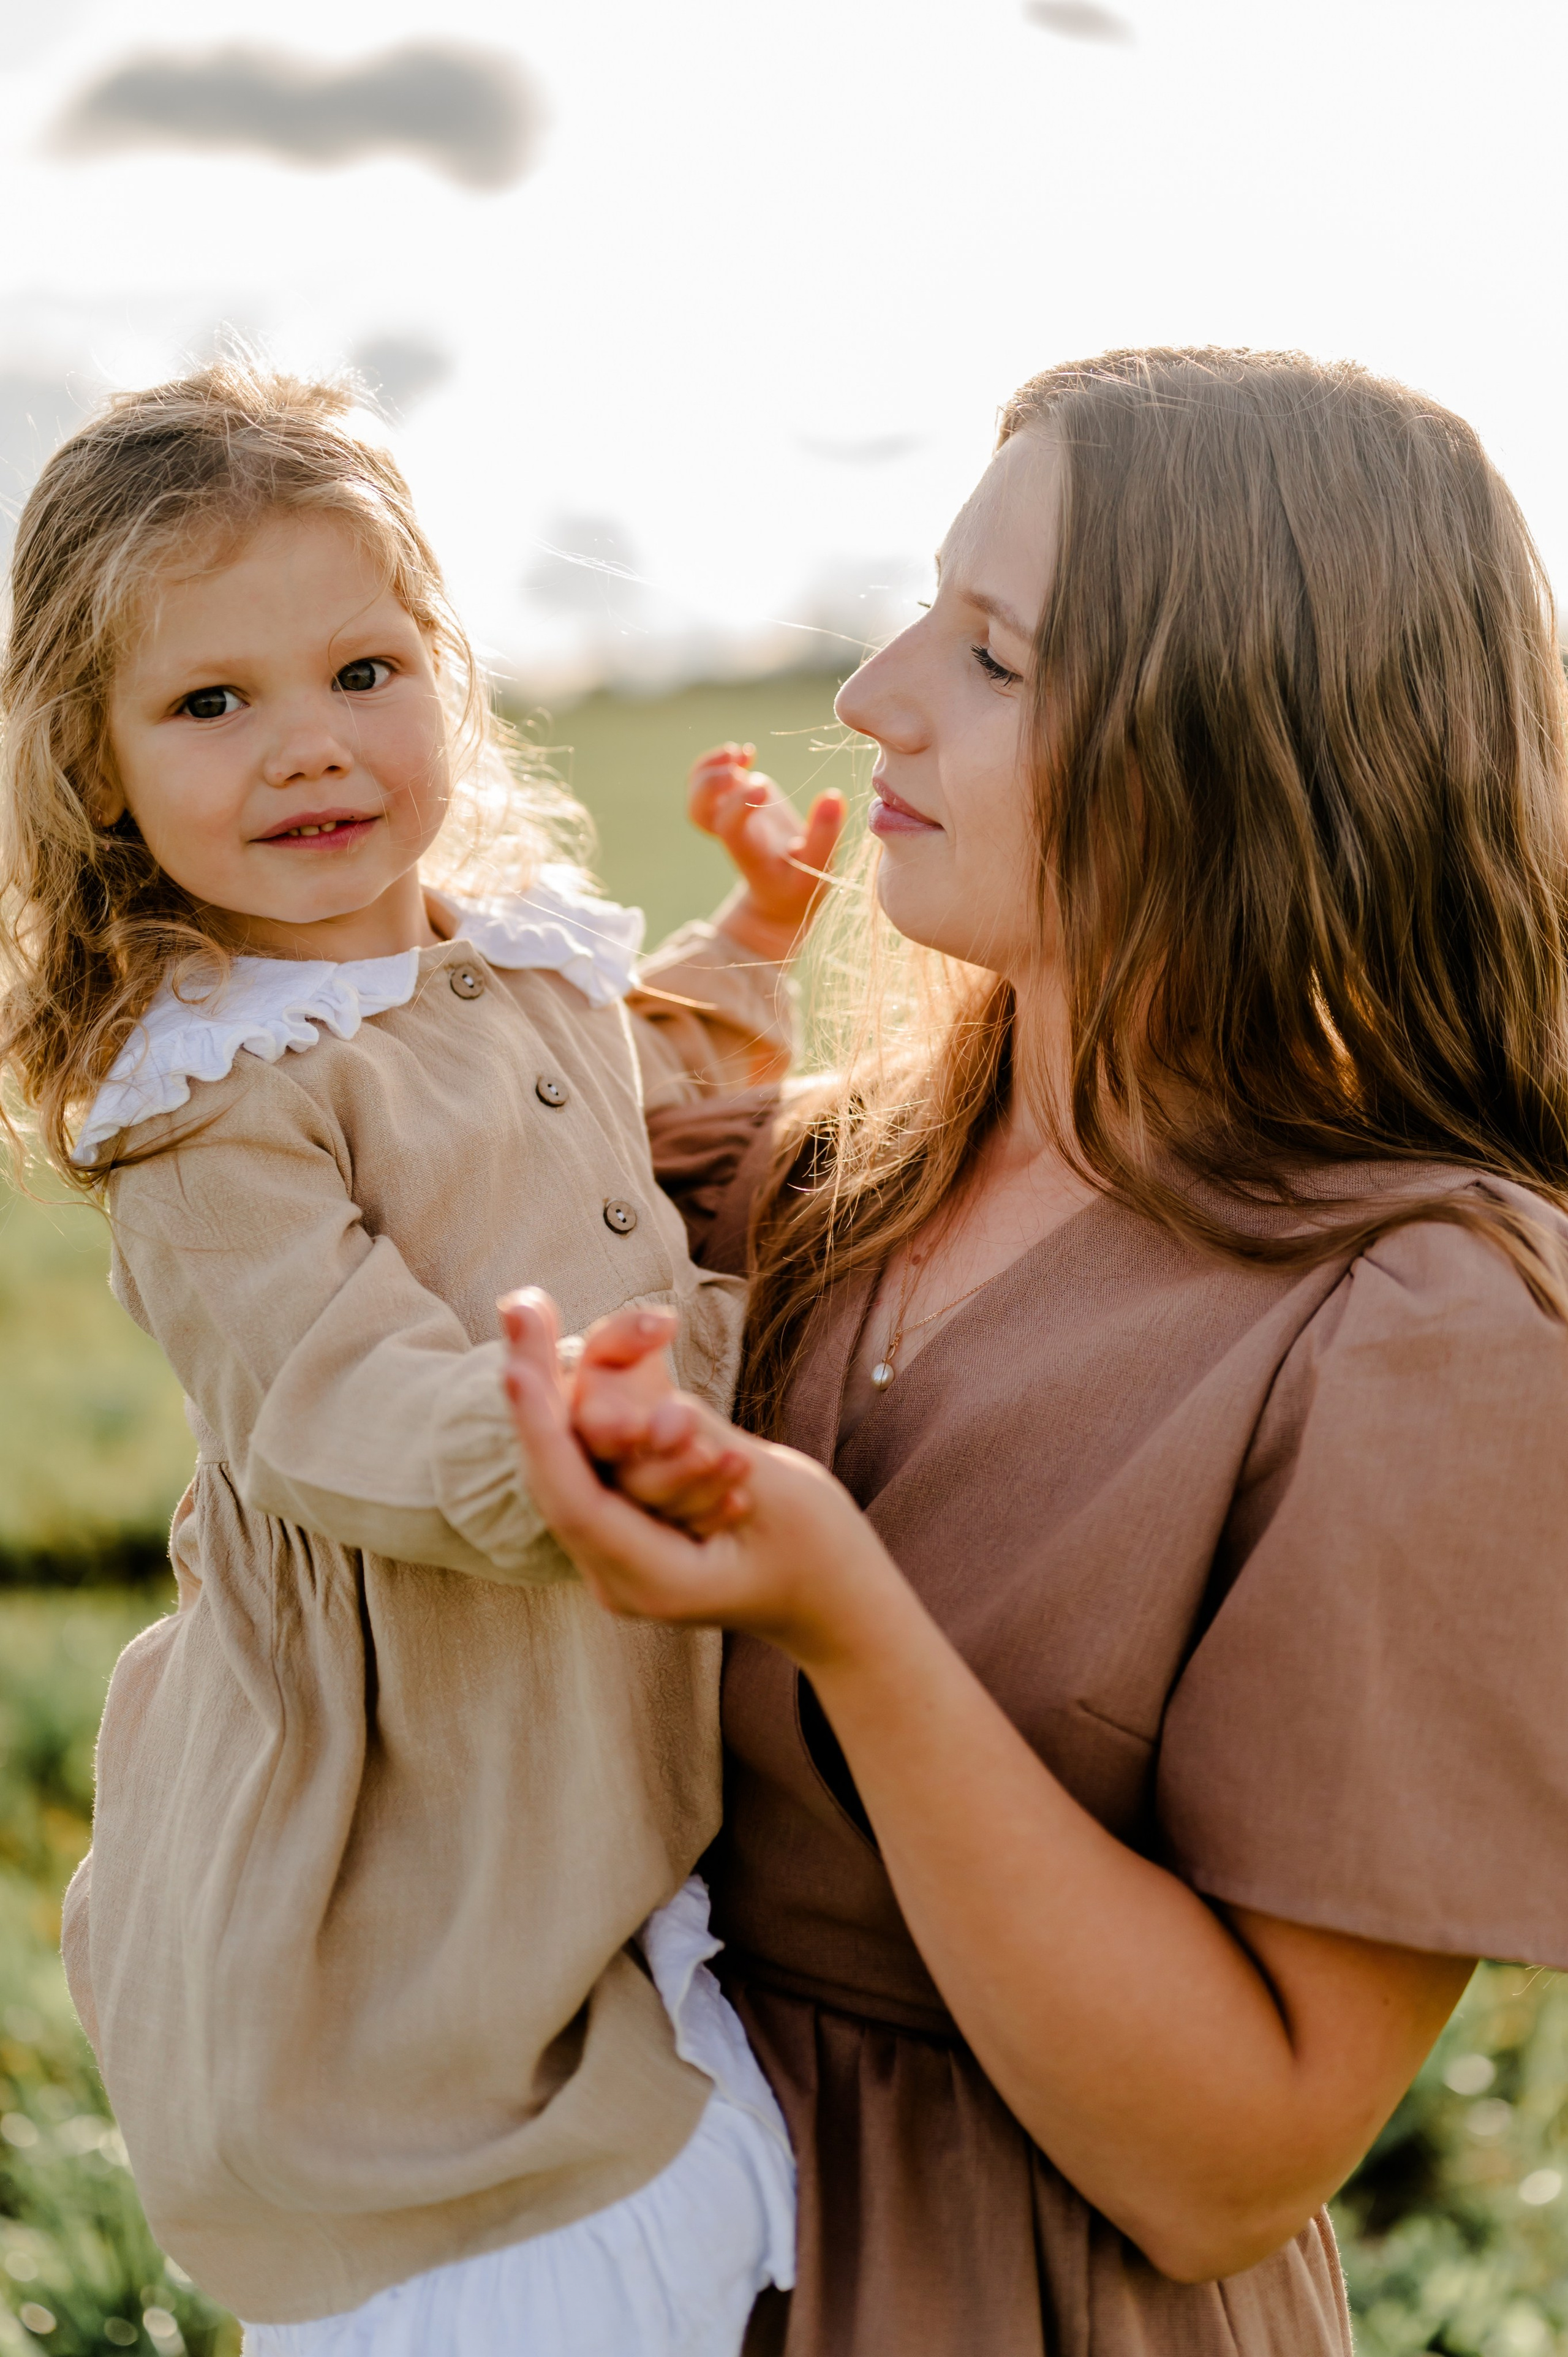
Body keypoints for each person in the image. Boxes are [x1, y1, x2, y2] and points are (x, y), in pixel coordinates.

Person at [499, 347, 1568, 2357]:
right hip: (607, 2258)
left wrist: (851, 1626)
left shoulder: (1437, 1334)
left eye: (994, 657)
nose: (872, 692)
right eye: (930, 609)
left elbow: (1231, 2160)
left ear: (1250, 754)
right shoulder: (810, 1184)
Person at [0, 358, 845, 2356]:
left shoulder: (493, 952)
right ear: (93, 766)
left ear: (445, 672)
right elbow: (325, 1394)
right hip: (417, 1732)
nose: (308, 746)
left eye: (363, 669)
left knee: (667, 2057)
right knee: (509, 2191)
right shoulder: (210, 1103)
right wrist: (535, 1430)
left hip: (574, 1681)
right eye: (212, 703)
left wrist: (748, 946)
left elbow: (611, 1098)